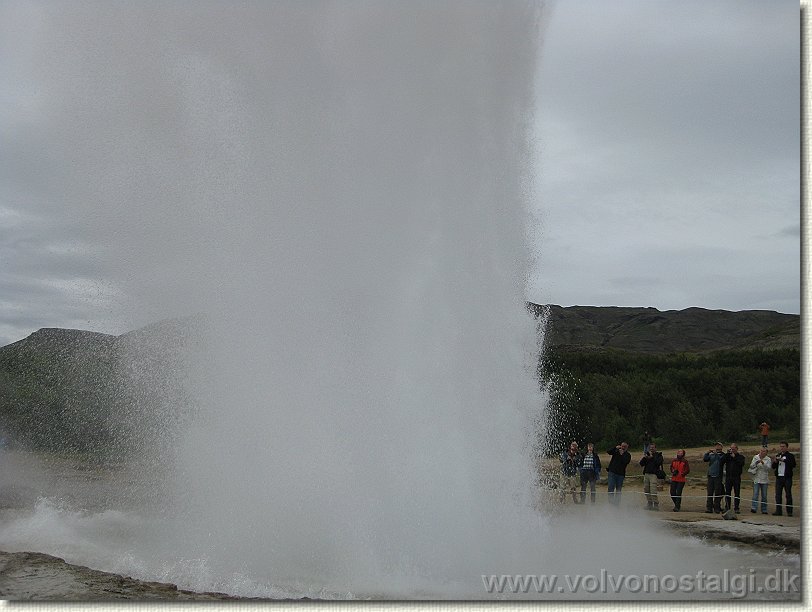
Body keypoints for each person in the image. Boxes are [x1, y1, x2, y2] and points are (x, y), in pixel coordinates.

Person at [772, 441, 796, 516]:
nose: (782, 448)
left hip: (787, 478)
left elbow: (793, 465)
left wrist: (784, 460)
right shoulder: (778, 455)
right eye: (781, 446)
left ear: (786, 447)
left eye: (783, 446)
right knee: (778, 495)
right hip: (779, 477)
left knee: (788, 494)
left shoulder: (790, 456)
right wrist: (775, 461)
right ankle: (778, 511)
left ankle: (789, 511)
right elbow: (773, 467)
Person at [721, 443, 745, 513]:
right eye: (731, 449)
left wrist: (734, 457)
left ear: (737, 449)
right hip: (728, 477)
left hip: (736, 477)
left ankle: (736, 508)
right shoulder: (728, 456)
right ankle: (727, 507)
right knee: (727, 493)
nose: (732, 450)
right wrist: (727, 454)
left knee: (737, 493)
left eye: (734, 449)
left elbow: (741, 463)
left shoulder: (741, 457)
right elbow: (722, 461)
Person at [639, 442, 663, 510]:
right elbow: (641, 464)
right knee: (646, 489)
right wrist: (645, 458)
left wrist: (652, 458)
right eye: (650, 448)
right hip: (646, 474)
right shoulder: (647, 455)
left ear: (656, 448)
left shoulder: (659, 455)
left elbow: (658, 463)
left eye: (653, 448)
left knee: (653, 490)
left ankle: (655, 504)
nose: (651, 449)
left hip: (654, 474)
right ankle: (649, 503)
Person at [703, 442, 725, 514]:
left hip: (718, 476)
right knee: (710, 492)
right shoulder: (711, 455)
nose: (717, 446)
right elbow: (705, 459)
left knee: (718, 493)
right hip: (710, 475)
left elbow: (721, 461)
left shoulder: (723, 455)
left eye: (719, 445)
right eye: (716, 445)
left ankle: (717, 507)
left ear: (721, 447)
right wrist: (707, 453)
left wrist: (716, 454)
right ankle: (709, 507)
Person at [748, 448, 772, 514]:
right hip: (756, 478)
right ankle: (754, 507)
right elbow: (751, 466)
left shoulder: (768, 459)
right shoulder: (755, 457)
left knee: (764, 495)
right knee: (755, 494)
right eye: (761, 451)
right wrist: (756, 463)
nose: (762, 452)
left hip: (764, 479)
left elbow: (768, 469)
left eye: (763, 451)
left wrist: (763, 463)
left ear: (766, 452)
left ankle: (764, 509)